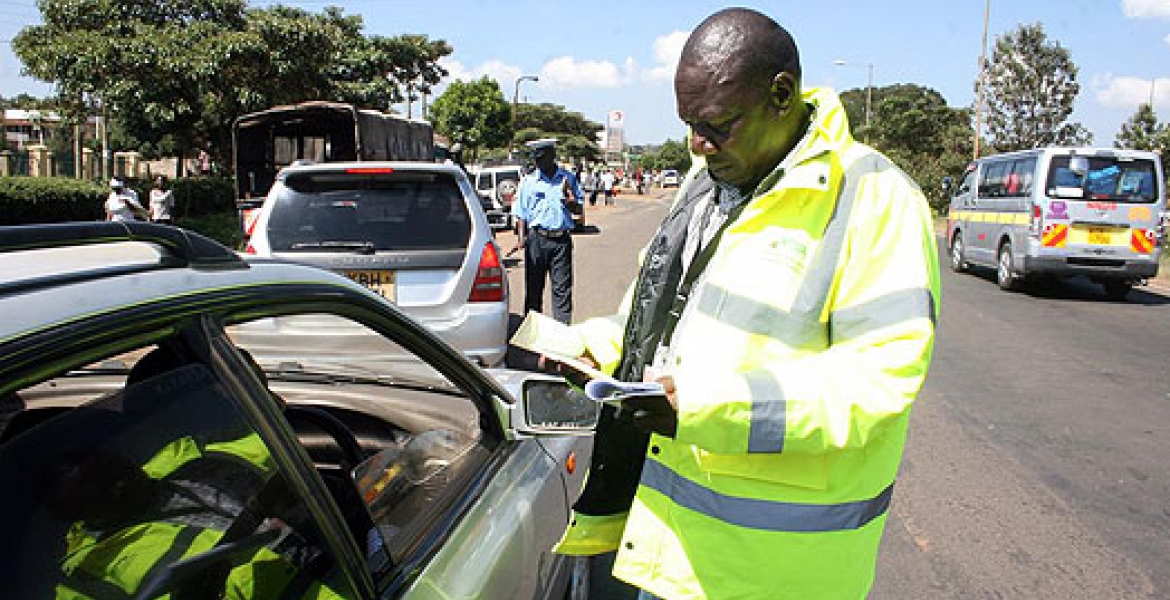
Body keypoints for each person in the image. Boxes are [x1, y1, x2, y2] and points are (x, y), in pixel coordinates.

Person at [545, 8, 940, 600]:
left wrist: (705, 407)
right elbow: (657, 316)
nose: (697, 144)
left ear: (781, 95)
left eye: (716, 124)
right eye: (689, 125)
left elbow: (877, 382)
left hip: (774, 574)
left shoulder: (875, 199)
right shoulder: (704, 184)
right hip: (670, 555)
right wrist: (592, 349)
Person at [510, 138, 584, 324]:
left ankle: (561, 332)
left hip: (561, 242)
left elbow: (578, 210)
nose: (538, 162)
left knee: (562, 291)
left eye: (542, 157)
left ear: (552, 156)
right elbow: (521, 214)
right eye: (536, 158)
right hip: (537, 240)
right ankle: (533, 333)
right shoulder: (528, 182)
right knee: (534, 290)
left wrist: (571, 203)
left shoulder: (568, 179)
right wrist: (521, 240)